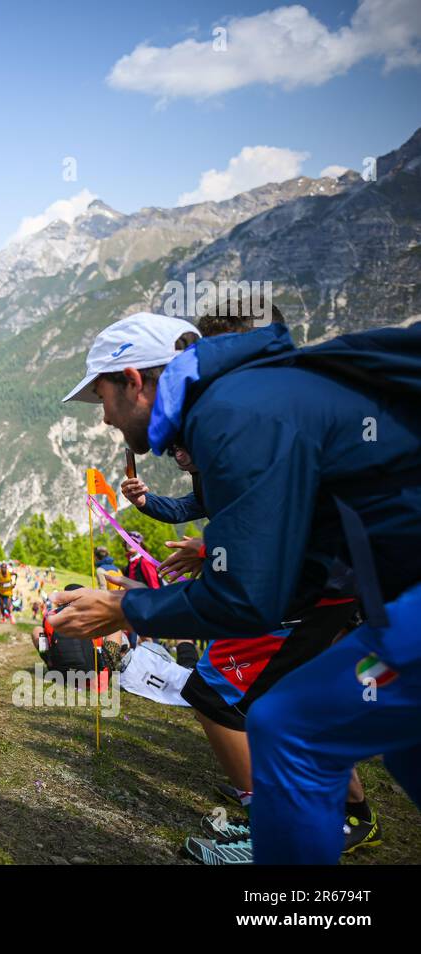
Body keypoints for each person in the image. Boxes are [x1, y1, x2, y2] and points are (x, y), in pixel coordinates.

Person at [51, 311, 421, 865]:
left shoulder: (230, 414)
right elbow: (284, 553)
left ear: (133, 380)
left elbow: (249, 597)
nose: (104, 418)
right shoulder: (240, 398)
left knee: (291, 726)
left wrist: (126, 608)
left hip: (398, 607)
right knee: (395, 744)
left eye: (101, 396)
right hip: (392, 606)